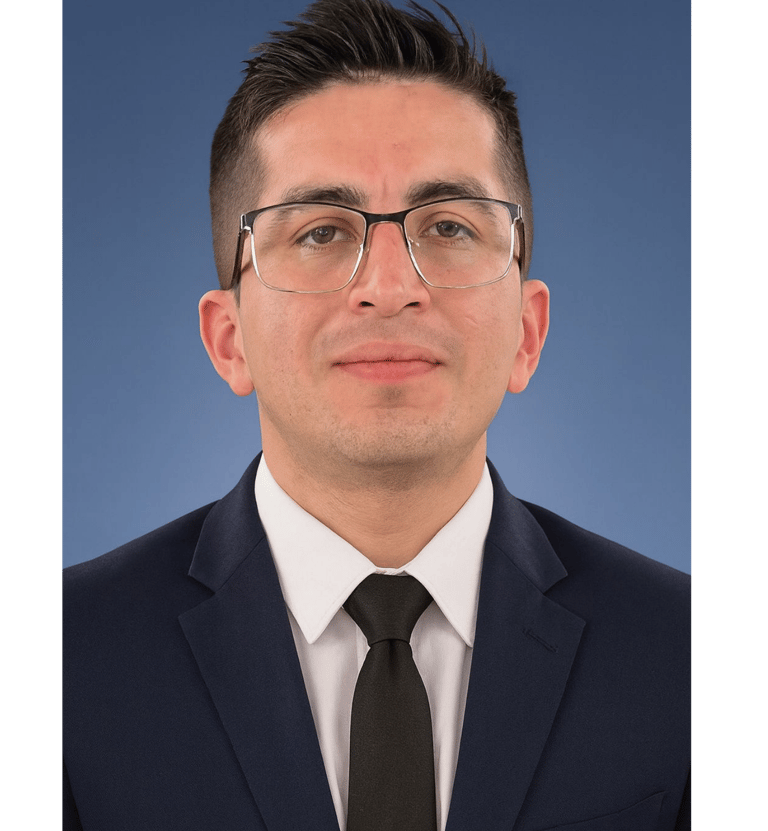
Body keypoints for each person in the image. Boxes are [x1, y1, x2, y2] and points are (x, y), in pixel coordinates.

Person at [62, 1, 691, 829]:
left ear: (527, 332)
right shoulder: (53, 661)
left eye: (449, 226)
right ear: (229, 339)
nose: (390, 288)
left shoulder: (699, 657)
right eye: (321, 232)